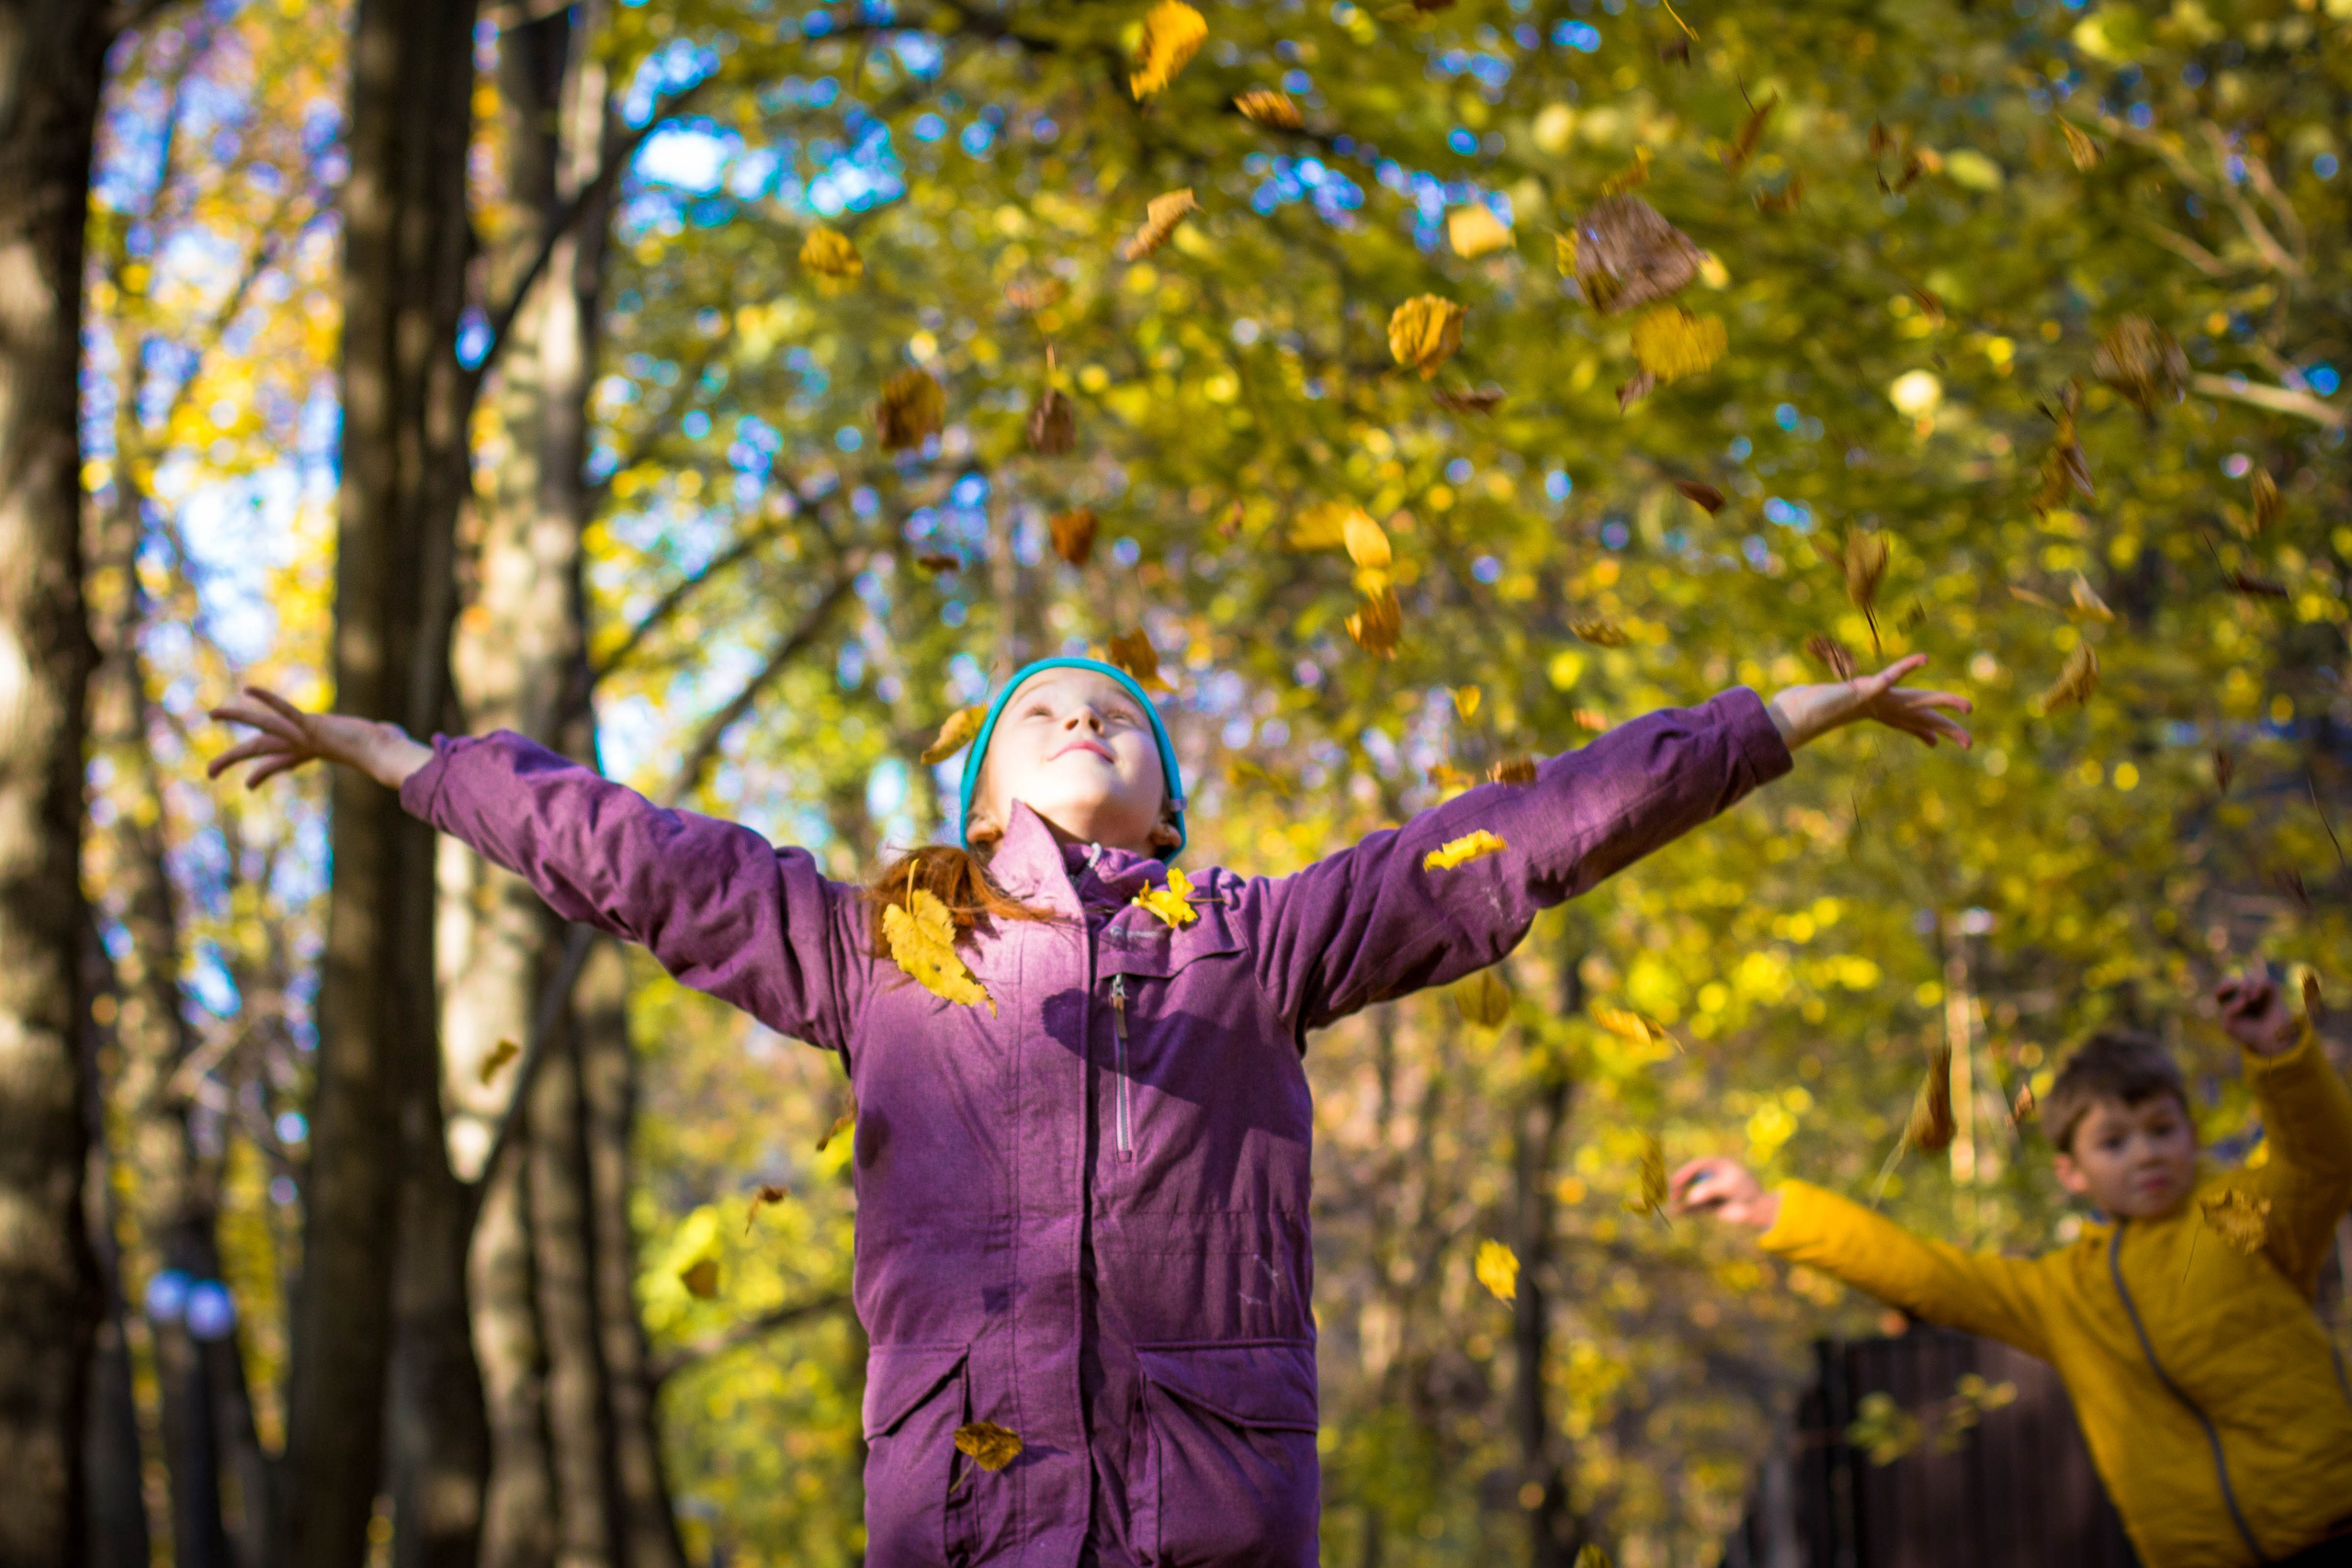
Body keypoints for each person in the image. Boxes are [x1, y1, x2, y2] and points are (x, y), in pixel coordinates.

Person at [213, 652, 1968, 1568]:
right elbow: (634, 858)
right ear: (975, 798)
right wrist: (419, 766)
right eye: (1038, 713)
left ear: (1164, 794)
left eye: (1113, 715)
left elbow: (1521, 836)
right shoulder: (867, 949)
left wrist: (1767, 723)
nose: (1075, 720)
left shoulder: (1264, 936)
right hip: (967, 1507)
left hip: (1214, 1493)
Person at [1672, 973, 2352, 1568]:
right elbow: (1931, 1275)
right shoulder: (2062, 1292)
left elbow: (2322, 1158)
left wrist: (2277, 1048)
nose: (2144, 1153)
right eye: (2114, 1140)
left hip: (2332, 1518)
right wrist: (1770, 1210)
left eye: (2161, 1128)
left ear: (2191, 1134)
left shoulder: (2242, 1210)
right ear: (2072, 1171)